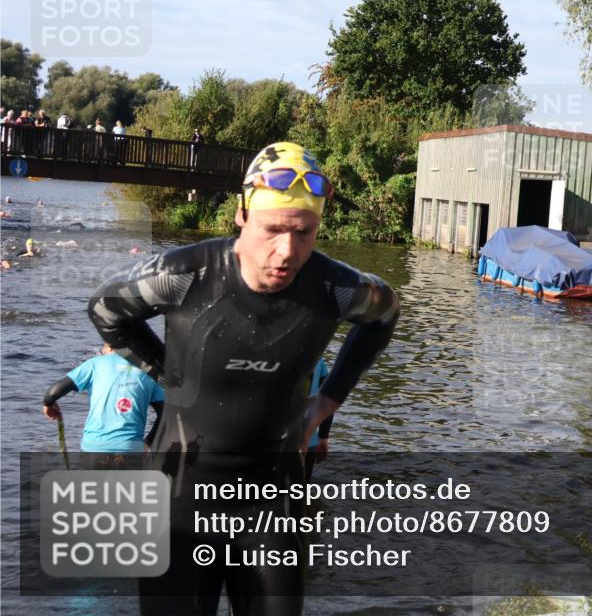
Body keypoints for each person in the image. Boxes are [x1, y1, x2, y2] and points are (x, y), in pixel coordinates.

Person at [86, 141, 399, 615]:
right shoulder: (184, 275)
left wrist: (327, 401)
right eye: (273, 229)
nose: (287, 251)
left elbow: (386, 315)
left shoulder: (335, 287)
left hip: (274, 500)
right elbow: (106, 310)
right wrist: (171, 375)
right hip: (180, 497)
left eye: (305, 232)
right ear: (242, 215)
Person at [42, 344, 165, 469]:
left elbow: (52, 393)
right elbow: (165, 415)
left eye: (103, 349)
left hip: (94, 449)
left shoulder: (94, 364)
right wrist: (148, 442)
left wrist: (48, 404)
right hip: (130, 449)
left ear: (110, 347)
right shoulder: (150, 371)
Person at [304, 359, 333, 482]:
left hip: (275, 441)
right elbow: (327, 400)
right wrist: (323, 436)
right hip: (309, 441)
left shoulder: (270, 359)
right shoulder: (319, 361)